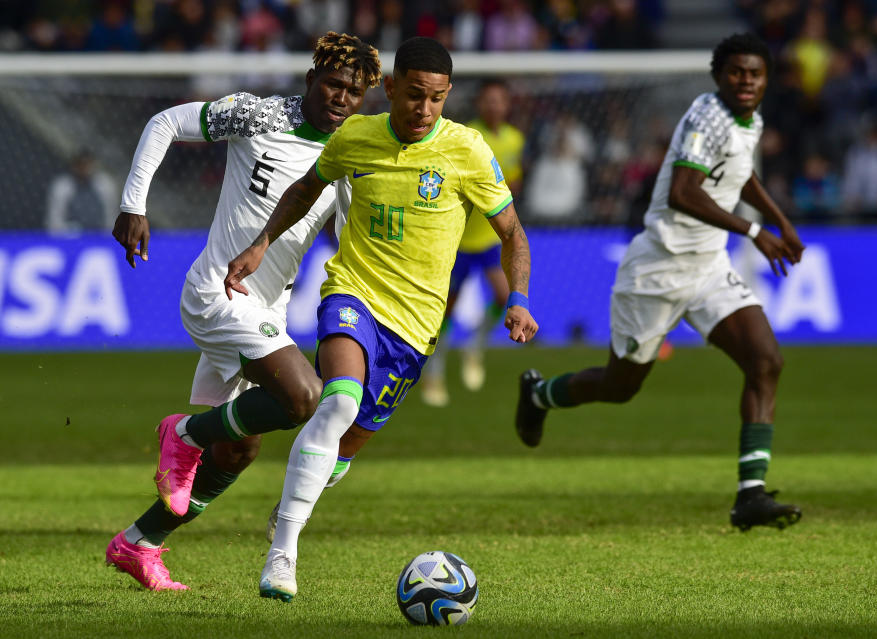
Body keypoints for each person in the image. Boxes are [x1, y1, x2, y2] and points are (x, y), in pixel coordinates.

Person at [209, 36, 537, 602]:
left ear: (448, 95)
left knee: (345, 445)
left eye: (436, 99)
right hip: (353, 295)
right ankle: (282, 555)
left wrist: (518, 298)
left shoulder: (468, 151)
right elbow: (305, 189)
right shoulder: (356, 136)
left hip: (415, 328)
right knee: (337, 401)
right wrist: (262, 242)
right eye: (413, 96)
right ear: (390, 89)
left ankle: (294, 502)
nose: (424, 110)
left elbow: (512, 232)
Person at [105, 32, 382, 592]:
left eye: (353, 92)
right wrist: (134, 204)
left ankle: (140, 543)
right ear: (310, 80)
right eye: (332, 84)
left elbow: (352, 236)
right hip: (219, 291)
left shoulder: (348, 151)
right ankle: (181, 434)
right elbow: (164, 123)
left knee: (237, 448)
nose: (341, 98)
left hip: (269, 306)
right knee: (302, 396)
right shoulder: (257, 114)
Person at [514, 33, 806, 532]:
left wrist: (779, 218)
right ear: (719, 76)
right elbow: (682, 192)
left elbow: (741, 175)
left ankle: (750, 495)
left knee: (766, 361)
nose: (746, 81)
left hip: (708, 267)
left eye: (755, 73)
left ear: (766, 79)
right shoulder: (704, 116)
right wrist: (756, 231)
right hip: (658, 267)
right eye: (736, 72)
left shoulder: (749, 121)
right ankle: (539, 394)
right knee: (619, 386)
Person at [421, 78, 526, 406]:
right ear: (480, 104)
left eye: (500, 100)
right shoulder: (468, 137)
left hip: (489, 239)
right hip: (459, 242)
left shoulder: (514, 139)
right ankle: (434, 374)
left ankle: (474, 346)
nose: (494, 106)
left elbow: (514, 179)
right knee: (446, 311)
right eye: (488, 100)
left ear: (507, 105)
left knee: (501, 296)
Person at [45, 149, 117, 234]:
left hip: (99, 235)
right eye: (80, 164)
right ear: (74, 166)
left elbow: (111, 217)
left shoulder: (105, 184)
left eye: (87, 165)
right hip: (70, 236)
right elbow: (54, 220)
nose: (84, 169)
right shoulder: (62, 186)